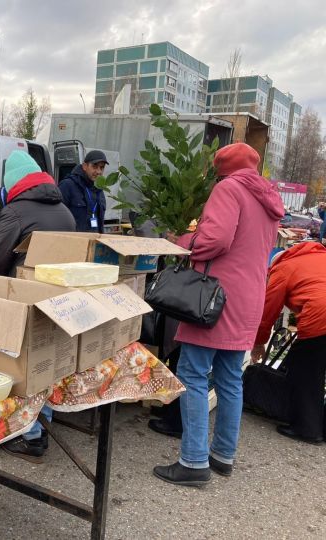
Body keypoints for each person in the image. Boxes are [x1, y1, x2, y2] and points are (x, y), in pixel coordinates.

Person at [153, 143, 284, 486]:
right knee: (229, 378)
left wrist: (184, 239)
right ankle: (223, 455)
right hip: (249, 297)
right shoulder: (269, 199)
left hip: (215, 298)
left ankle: (194, 462)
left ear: (222, 169)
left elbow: (216, 240)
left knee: (193, 372)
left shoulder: (229, 188)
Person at [0, 151, 75, 463]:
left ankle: (27, 435)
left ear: (12, 183)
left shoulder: (16, 210)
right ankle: (42, 427)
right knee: (45, 365)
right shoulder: (64, 210)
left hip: (23, 301)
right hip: (58, 301)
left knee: (18, 368)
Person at [251, 242, 326, 444]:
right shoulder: (319, 257)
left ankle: (308, 429)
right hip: (320, 315)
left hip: (320, 319)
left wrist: (259, 343)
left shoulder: (283, 268)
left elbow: (268, 311)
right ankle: (320, 424)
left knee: (305, 372)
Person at [0, 151, 75, 277]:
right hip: (59, 285)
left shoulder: (14, 211)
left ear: (12, 182)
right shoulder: (66, 212)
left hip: (23, 286)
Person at [59, 150, 109, 233]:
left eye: (102, 167)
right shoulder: (68, 185)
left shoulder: (99, 190)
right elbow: (58, 218)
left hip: (94, 242)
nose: (99, 172)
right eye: (95, 166)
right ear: (85, 166)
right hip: (74, 242)